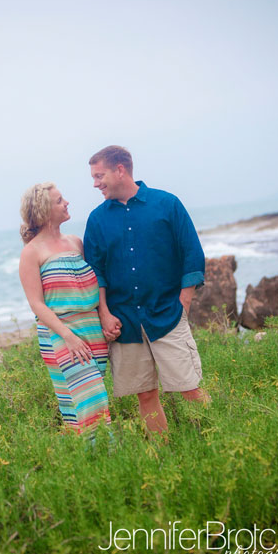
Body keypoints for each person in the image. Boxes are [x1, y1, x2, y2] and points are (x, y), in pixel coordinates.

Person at [84, 145, 209, 435]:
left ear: (120, 170)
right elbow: (96, 271)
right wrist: (104, 313)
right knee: (145, 394)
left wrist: (184, 303)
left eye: (99, 175)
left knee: (190, 389)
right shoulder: (97, 219)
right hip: (125, 323)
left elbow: (191, 253)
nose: (95, 183)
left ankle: (221, 442)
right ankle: (160, 454)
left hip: (167, 314)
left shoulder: (167, 204)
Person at [18, 182, 112, 436]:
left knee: (80, 403)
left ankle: (83, 462)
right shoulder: (31, 252)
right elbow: (36, 304)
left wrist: (104, 314)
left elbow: (98, 281)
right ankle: (106, 454)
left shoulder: (76, 242)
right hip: (60, 333)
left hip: (92, 329)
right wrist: (68, 337)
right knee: (92, 400)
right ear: (43, 211)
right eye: (59, 201)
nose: (67, 203)